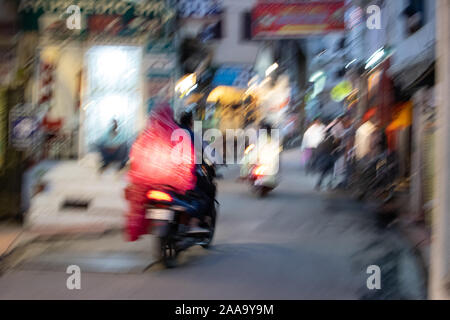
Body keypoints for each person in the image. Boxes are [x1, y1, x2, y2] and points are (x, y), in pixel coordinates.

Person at [178, 111, 215, 234]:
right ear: (191, 122)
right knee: (208, 191)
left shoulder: (172, 133)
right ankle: (197, 222)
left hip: (168, 175)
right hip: (188, 174)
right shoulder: (193, 135)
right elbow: (208, 152)